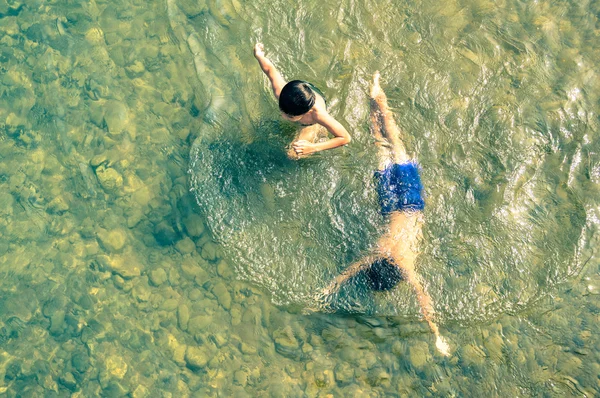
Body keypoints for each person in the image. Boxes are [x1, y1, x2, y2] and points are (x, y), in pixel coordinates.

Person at [320, 72, 450, 356]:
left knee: (394, 141)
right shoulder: (380, 253)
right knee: (382, 142)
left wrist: (437, 334)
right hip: (389, 202)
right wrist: (328, 288)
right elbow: (351, 270)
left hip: (411, 201)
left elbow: (422, 297)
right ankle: (375, 97)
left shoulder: (401, 261)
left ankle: (377, 96)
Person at [253, 43, 351, 158]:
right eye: (282, 110)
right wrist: (259, 55)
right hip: (300, 90)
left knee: (293, 155)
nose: (283, 116)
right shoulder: (281, 93)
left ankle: (318, 131)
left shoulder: (317, 115)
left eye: (290, 116)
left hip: (309, 123)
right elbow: (269, 70)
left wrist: (313, 147)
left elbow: (345, 137)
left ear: (305, 113)